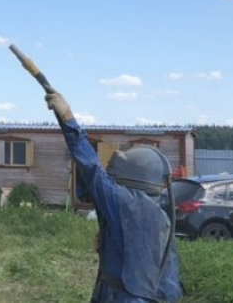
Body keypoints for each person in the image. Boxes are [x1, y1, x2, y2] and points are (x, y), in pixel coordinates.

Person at [46, 91, 182, 303]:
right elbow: (170, 282)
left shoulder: (124, 202)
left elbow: (91, 168)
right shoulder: (159, 216)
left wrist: (67, 117)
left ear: (132, 173)